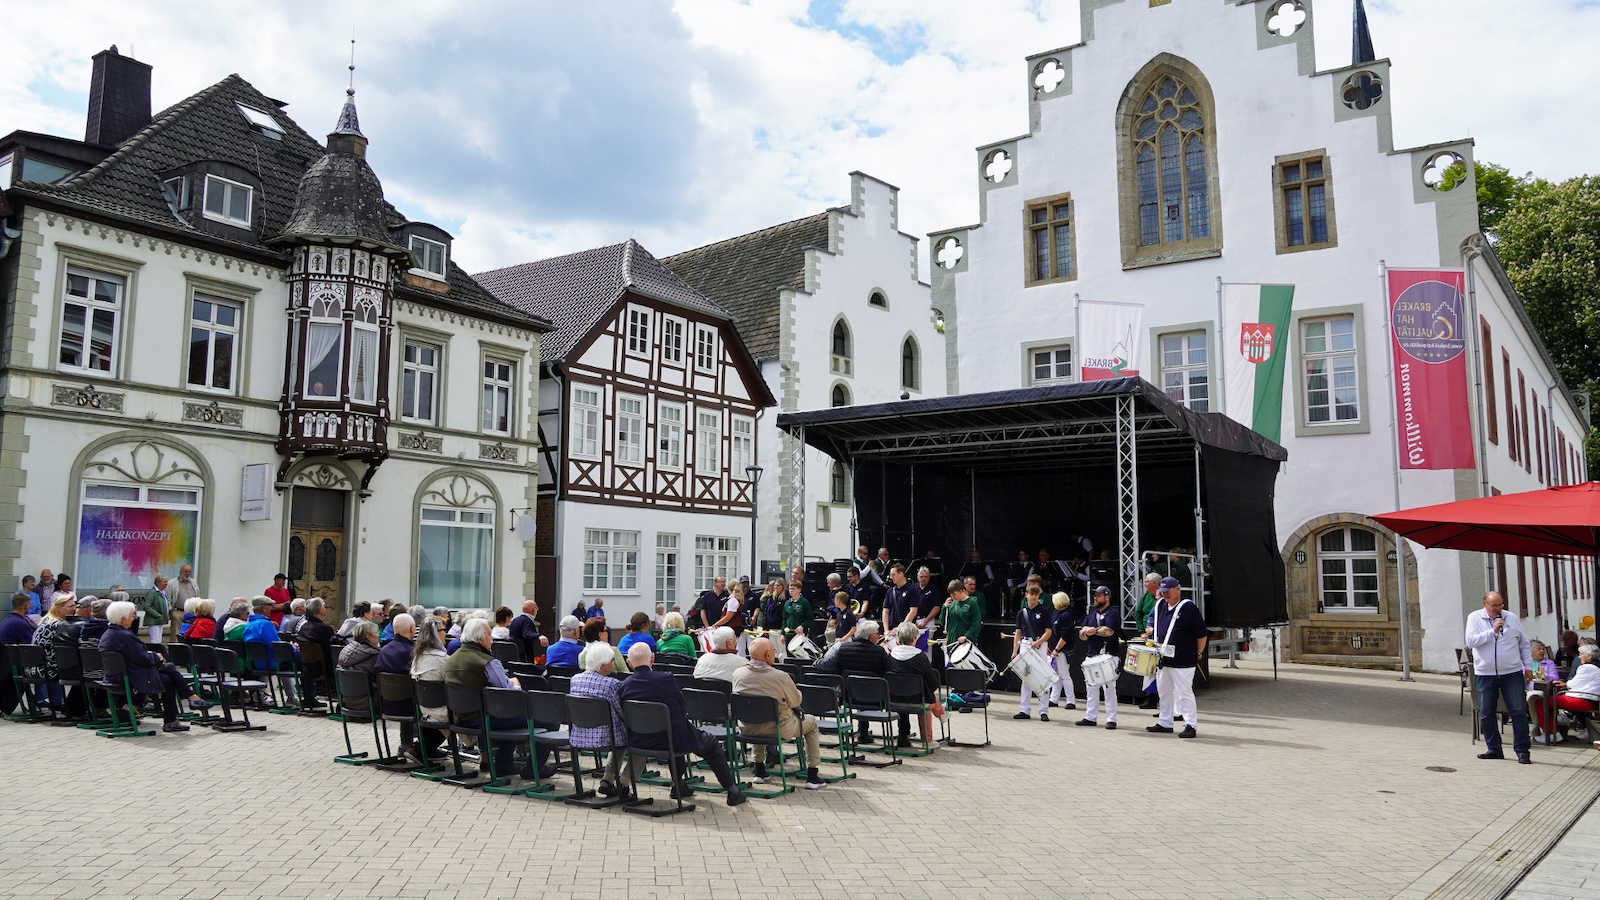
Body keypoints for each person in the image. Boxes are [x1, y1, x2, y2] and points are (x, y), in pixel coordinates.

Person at [617, 642, 746, 806]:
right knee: (710, 744)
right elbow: (682, 706)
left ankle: (679, 785)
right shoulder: (665, 679)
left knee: (675, 732)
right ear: (652, 658)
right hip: (671, 739)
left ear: (629, 662)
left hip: (639, 741)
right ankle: (733, 791)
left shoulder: (624, 685)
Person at [444, 617, 554, 781]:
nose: (492, 638)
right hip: (484, 719)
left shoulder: (452, 658)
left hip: (460, 718)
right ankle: (534, 769)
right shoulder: (488, 662)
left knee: (508, 713)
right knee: (549, 721)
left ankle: (504, 763)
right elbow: (510, 694)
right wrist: (516, 684)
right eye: (489, 634)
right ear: (479, 638)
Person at [98, 600, 210, 732]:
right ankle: (185, 704)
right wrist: (156, 656)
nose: (134, 619)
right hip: (131, 678)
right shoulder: (124, 636)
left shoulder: (108, 633)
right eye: (132, 616)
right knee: (168, 674)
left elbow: (135, 656)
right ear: (123, 619)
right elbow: (143, 658)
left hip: (117, 675)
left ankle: (188, 701)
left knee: (168, 674)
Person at [732, 637, 827, 789]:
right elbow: (796, 701)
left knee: (756, 714)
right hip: (778, 728)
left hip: (747, 727)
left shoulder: (738, 673)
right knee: (812, 723)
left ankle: (759, 770)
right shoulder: (780, 676)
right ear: (768, 655)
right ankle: (812, 775)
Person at [1465, 590, 1534, 763]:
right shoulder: (1474, 618)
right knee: (1486, 712)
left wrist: (1528, 666)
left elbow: (1524, 644)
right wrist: (1492, 631)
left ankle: (1522, 751)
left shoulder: (1512, 618)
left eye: (1500, 605)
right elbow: (1471, 641)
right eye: (1494, 605)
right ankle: (1494, 749)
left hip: (1512, 672)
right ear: (1485, 604)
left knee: (1518, 711)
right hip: (1485, 673)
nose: (1498, 609)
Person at [1144, 576, 1207, 740]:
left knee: (1184, 692)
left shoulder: (1188, 608)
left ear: (1178, 589)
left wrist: (1198, 653)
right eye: (1163, 592)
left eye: (1168, 591)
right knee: (1164, 692)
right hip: (1163, 659)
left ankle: (1190, 724)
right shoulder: (1160, 605)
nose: (1165, 595)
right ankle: (1165, 722)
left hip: (1183, 660)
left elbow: (1202, 634)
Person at [569, 642, 635, 798]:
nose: (613, 663)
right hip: (605, 737)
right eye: (611, 660)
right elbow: (621, 712)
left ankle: (607, 781)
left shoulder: (575, 679)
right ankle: (623, 783)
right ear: (603, 664)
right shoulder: (611, 684)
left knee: (618, 735)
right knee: (634, 737)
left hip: (578, 734)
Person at [814, 619, 889, 744]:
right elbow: (890, 669)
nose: (879, 635)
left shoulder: (842, 648)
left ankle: (861, 732)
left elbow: (824, 665)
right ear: (871, 637)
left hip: (848, 697)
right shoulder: (880, 652)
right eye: (877, 633)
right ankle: (863, 733)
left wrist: (816, 662)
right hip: (875, 698)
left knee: (858, 685)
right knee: (865, 686)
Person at [886, 621, 944, 749]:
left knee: (908, 693)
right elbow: (933, 683)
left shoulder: (889, 657)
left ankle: (903, 737)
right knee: (926, 698)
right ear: (914, 638)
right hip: (918, 701)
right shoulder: (920, 657)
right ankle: (927, 740)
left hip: (893, 701)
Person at [1076, 585, 1124, 729]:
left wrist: (1092, 631)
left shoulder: (1113, 613)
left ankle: (1111, 719)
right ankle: (1090, 717)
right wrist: (1086, 631)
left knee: (1109, 689)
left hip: (1108, 655)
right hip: (1092, 655)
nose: (1095, 598)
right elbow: (1081, 634)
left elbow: (1109, 631)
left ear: (1107, 597)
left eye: (1098, 595)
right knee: (1091, 688)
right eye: (1095, 595)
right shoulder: (1091, 615)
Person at [373, 614, 420, 760]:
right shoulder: (413, 652)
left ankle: (406, 745)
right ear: (412, 629)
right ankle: (423, 748)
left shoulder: (383, 651)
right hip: (411, 707)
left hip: (386, 705)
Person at [1532, 642, 1599, 742]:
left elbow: (1574, 684)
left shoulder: (1587, 668)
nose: (1579, 656)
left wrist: (1566, 684)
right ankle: (1554, 731)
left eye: (1581, 654)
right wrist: (1566, 684)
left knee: (1541, 702)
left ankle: (1551, 733)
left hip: (1584, 700)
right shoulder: (1596, 666)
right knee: (1550, 701)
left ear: (1589, 656)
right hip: (1591, 699)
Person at [1012, 584, 1053, 721]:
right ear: (1027, 595)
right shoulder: (1021, 613)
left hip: (1039, 645)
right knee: (1026, 678)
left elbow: (1048, 631)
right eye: (1031, 594)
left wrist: (1039, 642)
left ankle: (1043, 710)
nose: (1034, 597)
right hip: (1025, 644)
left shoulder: (1044, 612)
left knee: (1043, 677)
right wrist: (1015, 651)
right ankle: (1024, 710)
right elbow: (1018, 633)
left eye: (1036, 594)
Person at [410, 618, 450, 759]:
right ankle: (419, 750)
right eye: (443, 630)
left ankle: (423, 749)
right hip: (442, 711)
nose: (446, 633)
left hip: (423, 708)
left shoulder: (416, 657)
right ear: (436, 633)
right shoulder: (443, 659)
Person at [296, 598, 336, 704]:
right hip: (323, 667)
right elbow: (330, 649)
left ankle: (308, 697)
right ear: (320, 610)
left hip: (306, 666)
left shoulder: (304, 627)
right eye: (324, 606)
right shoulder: (324, 629)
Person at [1047, 591, 1079, 711]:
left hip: (1063, 650)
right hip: (1053, 649)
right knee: (1055, 675)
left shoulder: (1067, 615)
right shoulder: (1055, 613)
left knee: (1064, 675)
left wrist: (1057, 649)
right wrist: (1049, 646)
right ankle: (1054, 698)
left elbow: (1065, 635)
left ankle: (1071, 700)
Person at [240, 597, 280, 669]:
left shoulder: (248, 625)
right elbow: (277, 646)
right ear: (264, 608)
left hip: (257, 664)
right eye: (270, 605)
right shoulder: (265, 624)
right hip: (273, 663)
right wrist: (294, 649)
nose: (271, 608)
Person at [942, 579, 982, 648]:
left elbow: (976, 623)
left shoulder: (972, 603)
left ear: (961, 591)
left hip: (965, 643)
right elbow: (944, 622)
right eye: (951, 595)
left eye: (954, 594)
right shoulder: (952, 604)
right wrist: (944, 608)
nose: (952, 597)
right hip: (952, 642)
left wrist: (966, 636)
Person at [135, 575, 169, 645]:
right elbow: (146, 606)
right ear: (158, 583)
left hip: (160, 620)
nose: (166, 583)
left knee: (159, 640)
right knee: (155, 640)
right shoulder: (152, 592)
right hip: (153, 620)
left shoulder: (162, 592)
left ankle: (158, 651)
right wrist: (158, 615)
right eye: (164, 582)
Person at [168, 564, 200, 636]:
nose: (188, 573)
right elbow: (168, 598)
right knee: (176, 632)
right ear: (180, 571)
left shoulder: (193, 583)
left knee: (192, 632)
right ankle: (175, 643)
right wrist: (171, 610)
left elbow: (198, 596)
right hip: (178, 611)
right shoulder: (172, 583)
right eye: (186, 571)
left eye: (189, 572)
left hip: (193, 612)